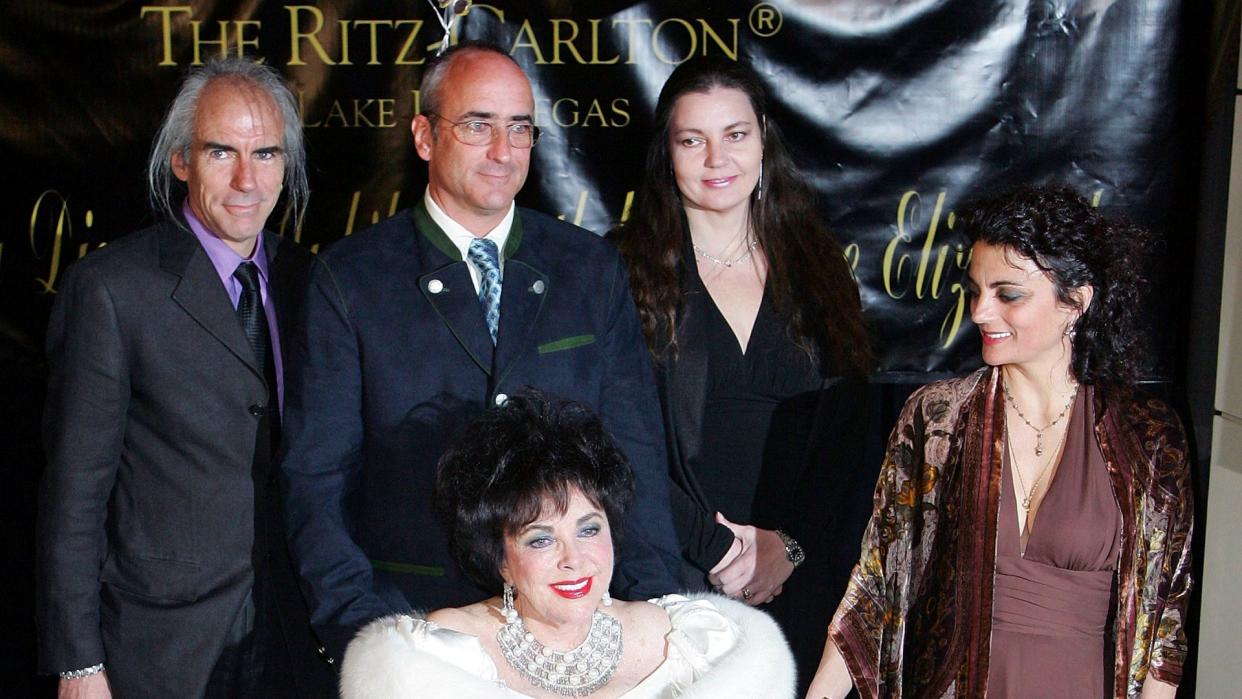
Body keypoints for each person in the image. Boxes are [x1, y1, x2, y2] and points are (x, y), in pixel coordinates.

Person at [280, 41, 683, 662]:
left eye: (519, 127)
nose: (503, 150)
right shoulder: (350, 278)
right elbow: (317, 477)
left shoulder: (588, 268)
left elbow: (636, 456)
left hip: (575, 630)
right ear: (424, 136)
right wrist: (360, 633)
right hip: (412, 627)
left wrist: (657, 609)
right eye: (477, 125)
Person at [805, 184, 1194, 699]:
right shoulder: (938, 417)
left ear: (1076, 300)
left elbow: (1164, 622)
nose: (980, 312)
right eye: (975, 290)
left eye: (1008, 294)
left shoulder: (1146, 435)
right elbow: (877, 584)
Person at [37, 58, 334, 697]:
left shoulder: (310, 281)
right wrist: (79, 664)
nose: (246, 180)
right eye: (221, 151)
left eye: (267, 154)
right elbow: (74, 494)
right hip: (159, 644)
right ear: (180, 160)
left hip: (294, 635)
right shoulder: (112, 289)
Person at [611, 56, 875, 691]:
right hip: (665, 578)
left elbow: (851, 437)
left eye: (735, 134)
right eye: (691, 139)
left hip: (800, 582)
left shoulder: (817, 264)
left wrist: (789, 546)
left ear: (763, 141)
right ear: (666, 154)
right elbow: (611, 439)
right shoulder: (618, 268)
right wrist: (713, 546)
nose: (716, 159)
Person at [339, 390, 796, 698]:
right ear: (498, 556)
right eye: (541, 539)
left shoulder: (697, 640)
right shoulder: (434, 657)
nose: (573, 560)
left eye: (589, 529)